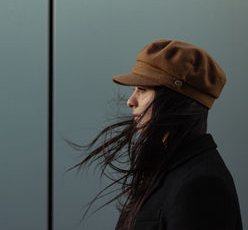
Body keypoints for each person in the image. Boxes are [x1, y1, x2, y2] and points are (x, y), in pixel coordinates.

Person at [66, 39, 243, 230]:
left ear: (175, 99)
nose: (130, 101)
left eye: (142, 89)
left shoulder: (202, 185)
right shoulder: (169, 168)